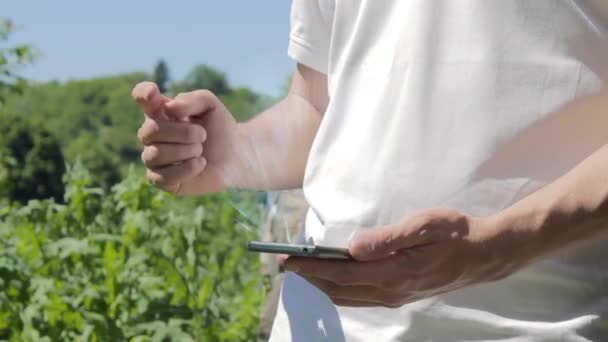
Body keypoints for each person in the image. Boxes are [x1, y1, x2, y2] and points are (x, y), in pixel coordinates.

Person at [132, 0, 608, 340]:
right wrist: (235, 153)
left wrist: (500, 246)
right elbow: (319, 107)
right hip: (319, 324)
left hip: (538, 326)